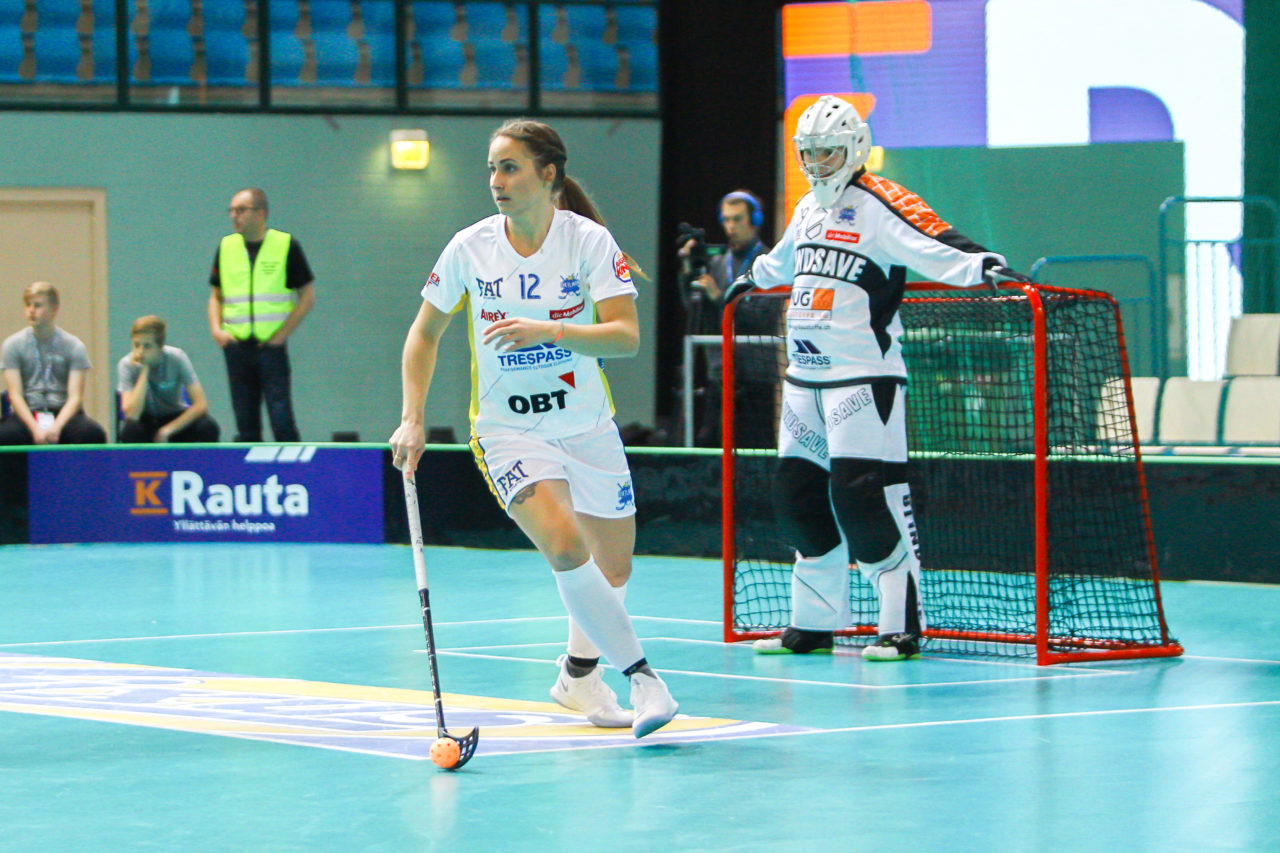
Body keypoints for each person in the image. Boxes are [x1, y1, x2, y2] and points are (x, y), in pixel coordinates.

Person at [389, 119, 679, 738]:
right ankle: (644, 679)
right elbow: (424, 334)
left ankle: (578, 679)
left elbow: (626, 338)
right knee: (565, 545)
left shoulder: (589, 242)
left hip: (587, 427)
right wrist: (412, 417)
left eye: (510, 167)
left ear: (549, 175)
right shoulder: (469, 248)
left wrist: (550, 329)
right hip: (507, 431)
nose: (495, 181)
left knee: (614, 568)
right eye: (492, 168)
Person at [727, 95, 1025, 661]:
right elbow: (785, 258)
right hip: (804, 380)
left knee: (863, 499)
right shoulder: (807, 209)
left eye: (828, 152)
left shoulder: (881, 201)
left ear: (855, 148)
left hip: (863, 379)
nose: (817, 164)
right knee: (797, 499)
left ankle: (901, 624)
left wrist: (983, 263)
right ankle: (813, 623)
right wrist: (753, 277)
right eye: (807, 154)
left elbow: (931, 238)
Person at [207, 187, 315, 442]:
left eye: (241, 210)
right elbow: (215, 295)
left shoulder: (286, 245)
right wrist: (217, 330)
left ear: (261, 213)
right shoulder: (226, 247)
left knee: (282, 419)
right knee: (245, 422)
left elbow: (307, 297)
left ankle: (291, 476)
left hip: (271, 347)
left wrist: (283, 334)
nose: (235, 216)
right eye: (232, 210)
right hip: (236, 347)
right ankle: (250, 478)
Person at [679, 191, 777, 446]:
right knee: (711, 446)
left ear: (754, 220)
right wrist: (688, 269)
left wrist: (719, 295)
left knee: (754, 450)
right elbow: (693, 307)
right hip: (720, 372)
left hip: (756, 374)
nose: (730, 227)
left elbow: (763, 317)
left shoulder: (768, 263)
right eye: (726, 220)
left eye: (737, 219)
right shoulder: (719, 263)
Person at [0, 282, 107, 446]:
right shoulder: (12, 345)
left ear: (54, 310)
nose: (31, 310)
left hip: (63, 413)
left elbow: (75, 397)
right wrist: (35, 429)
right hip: (28, 413)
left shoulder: (74, 346)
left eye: (38, 305)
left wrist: (56, 428)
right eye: (28, 305)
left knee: (92, 434)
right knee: (7, 436)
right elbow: (15, 395)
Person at [117, 315, 220, 443]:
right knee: (130, 430)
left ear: (160, 348)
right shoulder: (126, 365)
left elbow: (201, 405)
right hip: (145, 422)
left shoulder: (177, 358)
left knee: (208, 427)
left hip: (173, 419)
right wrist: (144, 371)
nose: (140, 352)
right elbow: (131, 414)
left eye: (147, 346)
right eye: (136, 345)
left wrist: (167, 430)